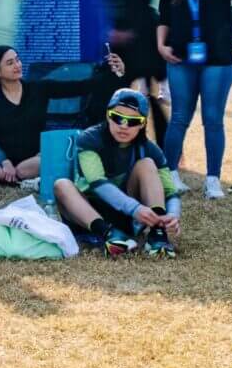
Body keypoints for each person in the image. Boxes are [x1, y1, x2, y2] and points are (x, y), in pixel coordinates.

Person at [157, 0, 232, 200]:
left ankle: (212, 179)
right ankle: (171, 175)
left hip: (217, 59)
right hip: (180, 57)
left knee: (213, 119)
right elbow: (164, 16)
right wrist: (160, 44)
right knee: (179, 117)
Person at [52, 89, 180, 258]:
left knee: (147, 164)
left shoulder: (150, 149)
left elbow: (171, 191)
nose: (123, 126)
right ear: (107, 115)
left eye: (133, 121)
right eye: (117, 117)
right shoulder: (89, 138)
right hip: (88, 213)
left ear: (143, 123)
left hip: (128, 216)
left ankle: (158, 234)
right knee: (61, 185)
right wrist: (134, 208)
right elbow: (98, 183)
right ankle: (110, 234)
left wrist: (172, 215)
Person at [83, 0, 167, 146]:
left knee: (146, 94)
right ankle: (136, 141)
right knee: (132, 91)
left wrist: (125, 31)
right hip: (132, 41)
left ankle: (161, 146)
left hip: (139, 41)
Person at [0, 45, 47, 184]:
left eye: (17, 60)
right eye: (10, 63)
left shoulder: (37, 89)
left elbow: (76, 86)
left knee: (41, 161)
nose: (17, 65)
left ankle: (16, 176)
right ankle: (12, 178)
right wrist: (4, 160)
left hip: (34, 160)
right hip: (3, 163)